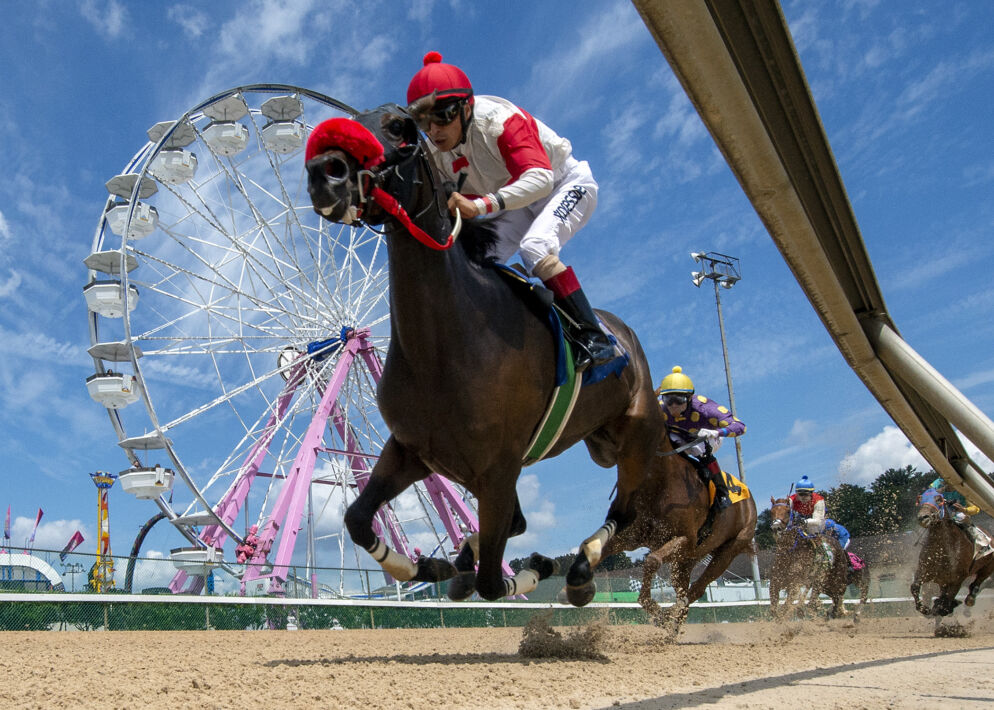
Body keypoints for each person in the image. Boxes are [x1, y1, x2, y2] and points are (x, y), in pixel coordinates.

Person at [405, 51, 614, 370]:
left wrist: (479, 205)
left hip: (564, 184)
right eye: (423, 121)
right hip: (520, 203)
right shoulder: (435, 153)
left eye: (443, 115)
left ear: (466, 107)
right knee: (474, 262)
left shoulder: (499, 122)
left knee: (535, 247)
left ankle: (594, 336)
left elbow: (541, 179)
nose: (434, 130)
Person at [657, 366, 746, 509]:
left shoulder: (705, 408)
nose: (673, 406)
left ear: (690, 397)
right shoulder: (660, 408)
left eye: (678, 399)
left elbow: (740, 426)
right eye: (668, 399)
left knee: (699, 450)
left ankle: (721, 493)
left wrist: (717, 432)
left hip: (705, 436)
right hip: (677, 434)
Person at [930, 478, 993, 556]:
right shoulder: (935, 484)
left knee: (963, 518)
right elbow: (928, 496)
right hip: (941, 514)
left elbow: (975, 508)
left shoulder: (965, 488)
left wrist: (964, 510)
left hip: (959, 515)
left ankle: (982, 544)